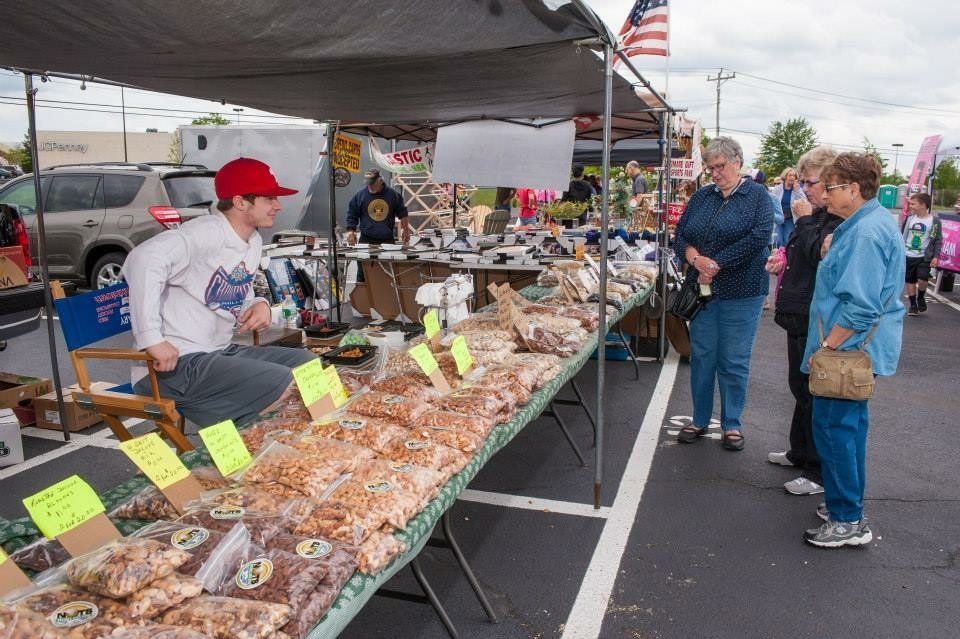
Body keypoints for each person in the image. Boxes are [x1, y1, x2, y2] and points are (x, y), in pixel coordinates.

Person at [123, 157, 315, 427]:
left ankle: (275, 446)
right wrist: (151, 339)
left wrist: (258, 303)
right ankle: (262, 450)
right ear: (240, 202)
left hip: (217, 352)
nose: (278, 206)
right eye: (269, 199)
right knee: (283, 383)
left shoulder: (253, 240)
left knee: (309, 365)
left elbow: (237, 287)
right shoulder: (206, 233)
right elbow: (144, 259)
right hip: (176, 364)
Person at [801, 152, 905, 548]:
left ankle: (847, 518)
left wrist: (827, 345)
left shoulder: (864, 232)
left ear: (854, 189)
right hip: (858, 348)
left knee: (834, 429)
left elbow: (862, 306)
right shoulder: (868, 222)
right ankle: (846, 505)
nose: (825, 195)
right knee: (849, 428)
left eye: (831, 188)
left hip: (849, 350)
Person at [673, 137, 777, 451]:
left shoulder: (757, 195)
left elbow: (759, 238)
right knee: (702, 357)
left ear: (737, 162)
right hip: (703, 291)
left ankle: (732, 423)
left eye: (720, 166)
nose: (715, 173)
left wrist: (717, 263)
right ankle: (700, 418)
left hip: (743, 291)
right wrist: (695, 259)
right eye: (710, 167)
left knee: (734, 360)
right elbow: (680, 235)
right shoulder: (703, 196)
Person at [765, 147, 843, 496]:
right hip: (798, 310)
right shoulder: (818, 216)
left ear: (829, 184)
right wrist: (782, 259)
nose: (804, 188)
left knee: (813, 391)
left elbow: (819, 255)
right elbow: (801, 251)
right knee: (800, 387)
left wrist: (804, 220)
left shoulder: (834, 220)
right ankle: (800, 453)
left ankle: (816, 471)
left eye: (809, 182)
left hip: (815, 316)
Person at [901, 192, 942, 316]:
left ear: (923, 205)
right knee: (910, 280)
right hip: (908, 255)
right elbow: (902, 235)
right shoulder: (909, 218)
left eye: (913, 204)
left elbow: (937, 240)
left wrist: (935, 256)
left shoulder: (934, 221)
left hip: (924, 256)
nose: (911, 206)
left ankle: (921, 297)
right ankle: (913, 305)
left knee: (923, 279)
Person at [346, 169, 410, 245]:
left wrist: (406, 230)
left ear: (380, 181)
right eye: (368, 184)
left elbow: (402, 213)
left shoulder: (393, 195)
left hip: (387, 239)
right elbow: (352, 214)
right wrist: (351, 231)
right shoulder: (360, 196)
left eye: (372, 184)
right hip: (366, 239)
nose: (370, 187)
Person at [769, 167, 807, 246]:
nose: (792, 177)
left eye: (794, 176)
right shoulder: (777, 189)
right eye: (790, 175)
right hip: (779, 218)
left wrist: (798, 191)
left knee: (787, 240)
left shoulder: (797, 189)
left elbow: (804, 201)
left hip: (790, 219)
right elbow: (771, 202)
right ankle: (778, 257)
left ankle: (786, 257)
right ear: (785, 176)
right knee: (777, 240)